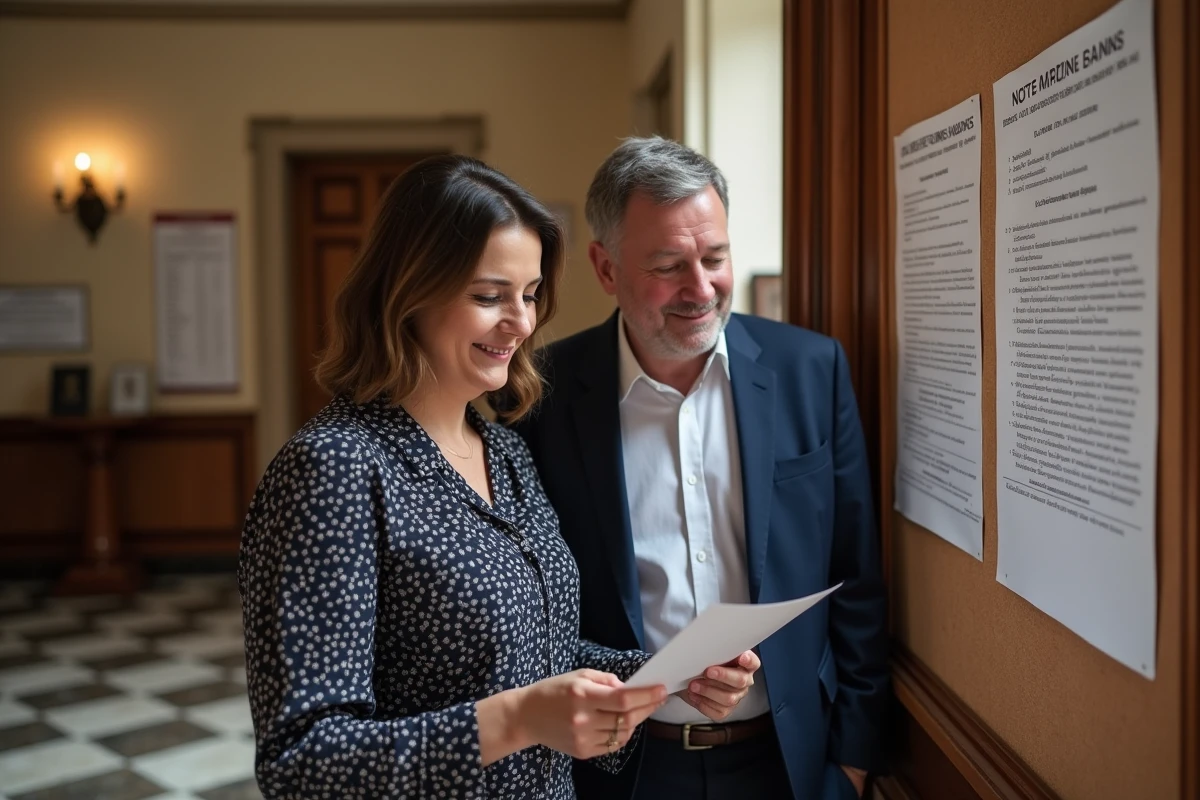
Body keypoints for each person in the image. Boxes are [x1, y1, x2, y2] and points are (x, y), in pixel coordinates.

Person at [238, 154, 758, 799]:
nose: (522, 322)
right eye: (489, 297)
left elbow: (533, 659)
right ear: (408, 292)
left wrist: (667, 674)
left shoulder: (502, 450)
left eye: (531, 294)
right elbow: (301, 761)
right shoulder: (335, 469)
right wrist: (515, 720)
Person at [509, 137, 889, 800]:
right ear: (605, 268)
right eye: (668, 265)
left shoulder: (811, 370)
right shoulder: (539, 395)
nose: (701, 288)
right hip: (621, 773)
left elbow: (856, 576)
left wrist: (852, 765)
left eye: (715, 258)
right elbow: (525, 606)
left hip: (789, 761)